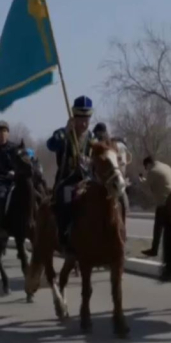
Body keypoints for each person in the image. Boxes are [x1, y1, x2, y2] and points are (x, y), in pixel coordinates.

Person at [47, 95, 96, 254]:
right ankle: (64, 235)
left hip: (88, 179)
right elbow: (51, 145)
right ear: (73, 118)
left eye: (86, 119)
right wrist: (65, 134)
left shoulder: (93, 138)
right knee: (67, 197)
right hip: (67, 179)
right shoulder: (63, 133)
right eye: (80, 119)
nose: (83, 123)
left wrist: (90, 160)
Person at [138, 156, 171, 257]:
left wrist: (141, 180)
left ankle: (154, 250)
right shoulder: (166, 166)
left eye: (146, 167)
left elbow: (146, 187)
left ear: (148, 164)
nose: (146, 170)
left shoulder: (153, 171)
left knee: (158, 228)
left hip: (164, 202)